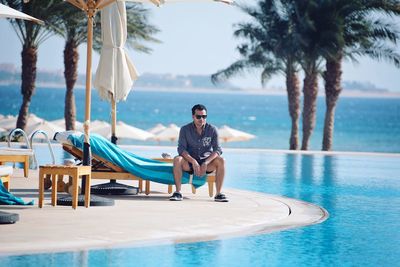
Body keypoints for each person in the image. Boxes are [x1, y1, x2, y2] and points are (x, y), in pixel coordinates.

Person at [170, 104, 228, 202]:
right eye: (198, 116)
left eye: (204, 116)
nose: (201, 119)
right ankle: (178, 193)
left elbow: (218, 150)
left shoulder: (212, 130)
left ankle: (218, 194)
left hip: (207, 163)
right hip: (189, 163)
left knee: (222, 160)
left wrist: (206, 162)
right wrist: (193, 161)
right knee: (177, 159)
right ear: (193, 116)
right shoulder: (184, 129)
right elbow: (181, 149)